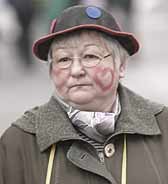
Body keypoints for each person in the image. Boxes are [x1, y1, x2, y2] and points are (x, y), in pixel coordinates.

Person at [0, 5, 168, 184]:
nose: (76, 70)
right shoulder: (19, 141)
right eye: (63, 59)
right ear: (51, 72)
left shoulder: (163, 126)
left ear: (121, 66)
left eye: (90, 56)